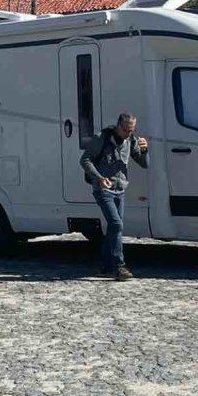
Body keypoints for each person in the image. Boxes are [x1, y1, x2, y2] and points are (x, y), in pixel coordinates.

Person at [79, 112, 149, 279]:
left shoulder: (130, 140)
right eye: (126, 130)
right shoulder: (102, 137)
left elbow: (145, 164)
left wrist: (145, 150)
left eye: (132, 130)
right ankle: (119, 266)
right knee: (116, 224)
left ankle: (103, 265)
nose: (129, 133)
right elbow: (85, 160)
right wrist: (99, 178)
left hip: (120, 189)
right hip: (103, 188)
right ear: (119, 126)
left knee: (114, 228)